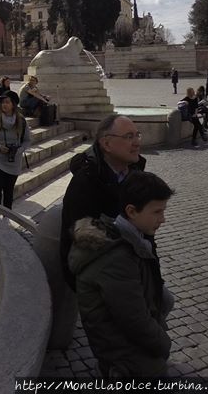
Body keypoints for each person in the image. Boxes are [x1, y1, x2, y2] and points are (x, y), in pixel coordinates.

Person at [68, 171, 174, 378]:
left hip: (120, 336)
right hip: (117, 345)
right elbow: (134, 319)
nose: (163, 219)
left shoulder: (128, 237)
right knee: (156, 373)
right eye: (157, 212)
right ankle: (112, 373)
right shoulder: (117, 258)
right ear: (132, 211)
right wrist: (163, 343)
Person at [60, 114, 147, 288]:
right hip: (101, 279)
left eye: (137, 135)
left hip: (133, 267)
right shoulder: (85, 183)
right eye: (129, 137)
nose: (137, 142)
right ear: (106, 144)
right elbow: (83, 246)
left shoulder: (136, 174)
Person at [0, 95, 30, 209]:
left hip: (13, 160)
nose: (4, 105)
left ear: (13, 104)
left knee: (8, 191)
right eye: (2, 103)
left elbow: (27, 140)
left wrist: (19, 150)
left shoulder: (22, 121)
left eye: (7, 102)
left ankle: (6, 216)